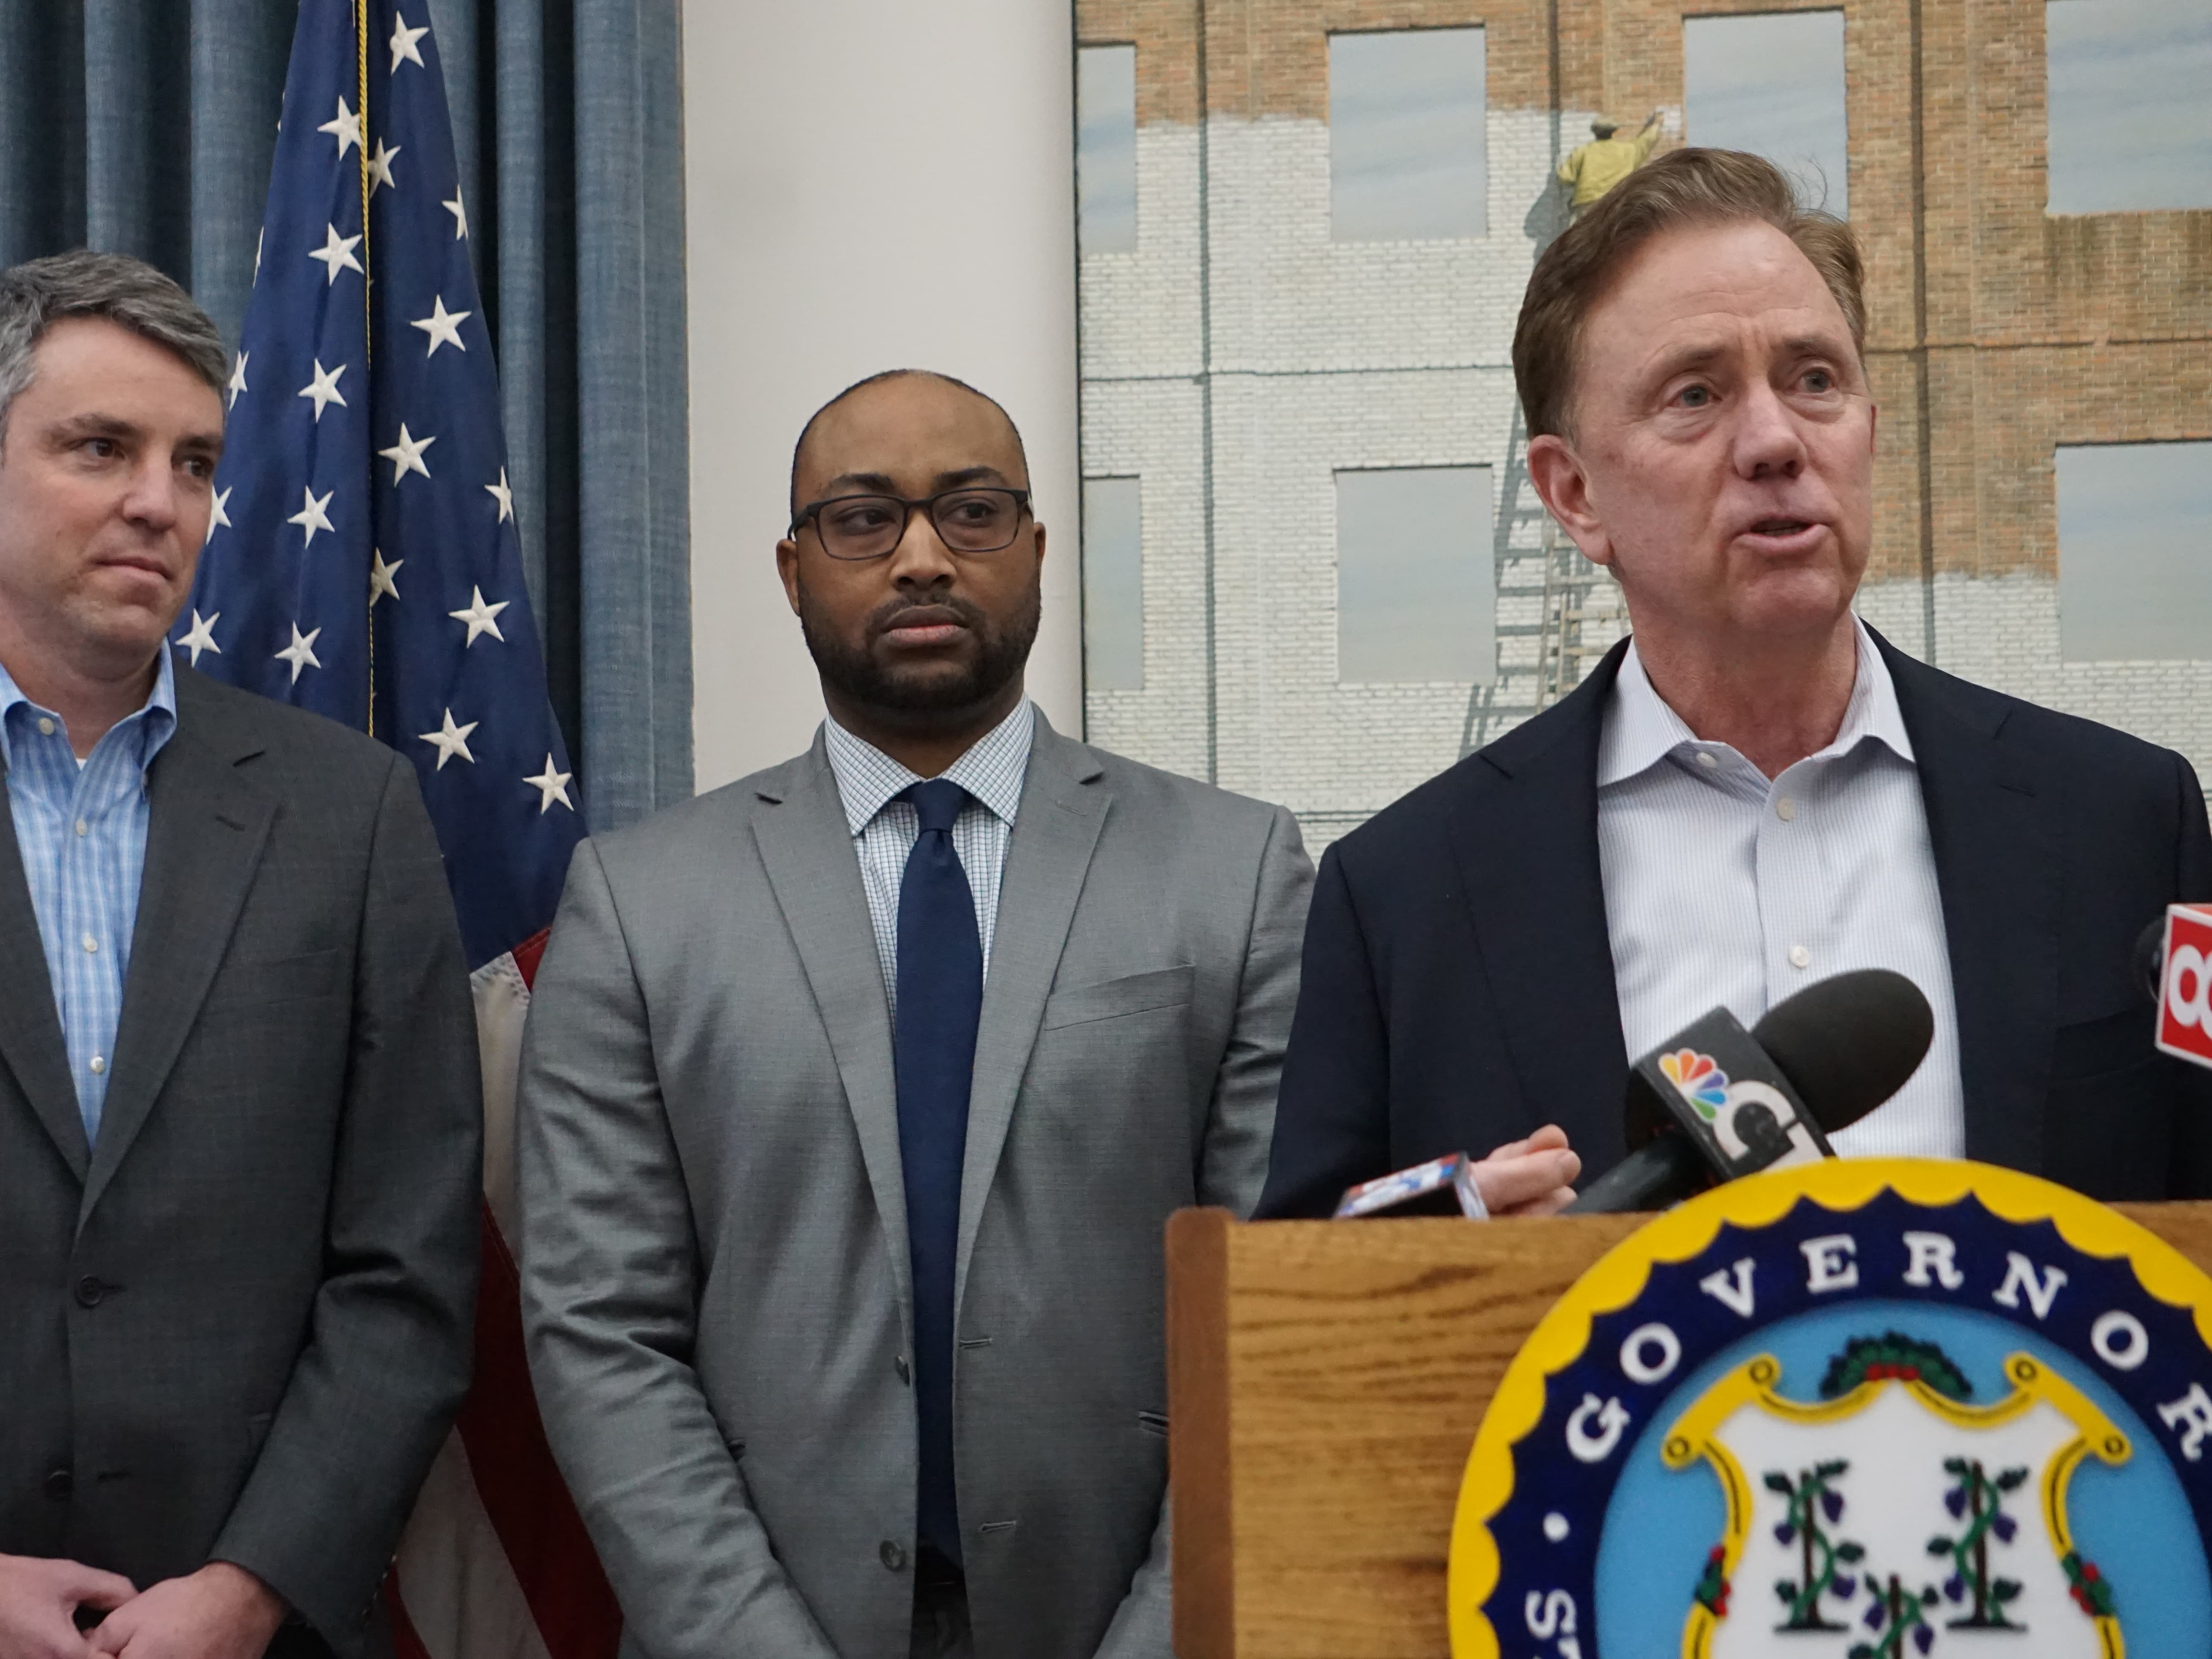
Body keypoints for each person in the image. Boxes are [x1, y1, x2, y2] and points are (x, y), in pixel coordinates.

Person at [513, 370, 1574, 1659]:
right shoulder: (637, 904)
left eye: (969, 513)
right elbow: (599, 1326)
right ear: (792, 571)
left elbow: (1270, 1299)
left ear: (1036, 548)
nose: (918, 557)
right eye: (862, 521)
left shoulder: (1230, 875)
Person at [1258, 149, 2212, 1220]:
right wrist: (1452, 1263)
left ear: (1869, 432)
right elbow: (1298, 1293)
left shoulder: (2116, 820)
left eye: (1814, 380)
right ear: (1574, 495)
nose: (1774, 441)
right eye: (1695, 394)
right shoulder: (1407, 895)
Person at [0, 252, 482, 1659]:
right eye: (103, 449)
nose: (163, 501)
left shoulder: (353, 815)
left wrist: (254, 1586)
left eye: (195, 461)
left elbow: (407, 1266)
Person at [1557, 109, 1675, 211]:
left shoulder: (1582, 151)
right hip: (1616, 204)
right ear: (1614, 131)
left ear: (1595, 132)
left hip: (1587, 206)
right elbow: (1647, 141)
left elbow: (1566, 177)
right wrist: (1656, 124)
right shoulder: (1628, 150)